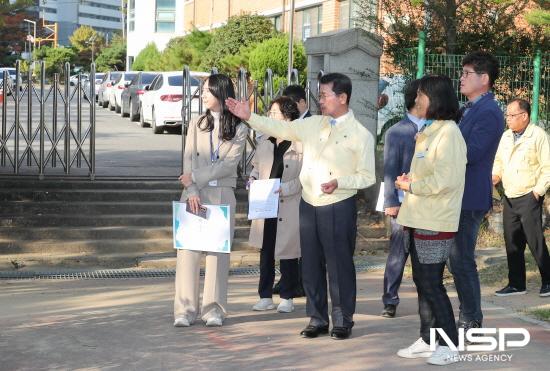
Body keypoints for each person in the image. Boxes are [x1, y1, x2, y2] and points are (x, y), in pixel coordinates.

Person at [226, 73, 375, 340]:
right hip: (308, 204)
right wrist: (250, 116)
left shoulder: (360, 135)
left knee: (339, 266)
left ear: (342, 98)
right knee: (311, 266)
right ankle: (317, 318)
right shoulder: (313, 124)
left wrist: (340, 181)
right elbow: (281, 129)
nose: (321, 100)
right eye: (319, 94)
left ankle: (342, 320)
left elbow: (367, 176)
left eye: (325, 95)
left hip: (338, 205)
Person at [395, 75, 466, 365]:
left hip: (435, 220)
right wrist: (410, 180)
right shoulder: (431, 130)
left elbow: (446, 180)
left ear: (435, 98)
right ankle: (428, 339)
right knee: (423, 283)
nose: (416, 101)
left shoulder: (449, 133)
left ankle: (448, 343)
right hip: (419, 216)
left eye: (421, 96)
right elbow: (429, 173)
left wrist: (412, 186)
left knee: (432, 283)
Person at [173, 74, 248, 328]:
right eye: (202, 90)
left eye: (207, 90)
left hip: (222, 194)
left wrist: (195, 175)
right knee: (188, 252)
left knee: (218, 254)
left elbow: (229, 165)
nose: (203, 95)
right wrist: (191, 188)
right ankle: (184, 310)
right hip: (193, 193)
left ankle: (213, 309)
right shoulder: (196, 123)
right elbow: (187, 159)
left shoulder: (239, 127)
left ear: (221, 93)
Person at [450, 51, 504, 332]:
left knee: (462, 259)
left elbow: (471, 153)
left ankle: (471, 318)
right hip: (457, 194)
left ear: (484, 79)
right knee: (456, 259)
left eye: (467, 73)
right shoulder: (467, 108)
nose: (462, 77)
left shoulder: (490, 112)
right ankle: (467, 314)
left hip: (470, 196)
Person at [248, 96, 303, 313]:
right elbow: (255, 166)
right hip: (266, 202)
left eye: (274, 113)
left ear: (287, 116)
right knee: (266, 249)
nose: (270, 116)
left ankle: (287, 296)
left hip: (289, 202)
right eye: (269, 113)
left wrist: (286, 188)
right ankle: (265, 295)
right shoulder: (266, 140)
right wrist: (252, 179)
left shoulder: (300, 143)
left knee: (288, 251)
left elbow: (305, 176)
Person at [492, 98, 550, 297]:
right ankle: (517, 284)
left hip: (529, 195)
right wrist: (495, 175)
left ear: (524, 116)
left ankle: (548, 281)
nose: (507, 118)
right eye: (507, 115)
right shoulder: (507, 136)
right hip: (509, 195)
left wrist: (537, 192)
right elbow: (499, 160)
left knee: (535, 241)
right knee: (512, 241)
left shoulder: (538, 136)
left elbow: (547, 167)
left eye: (511, 115)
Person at [381, 79, 424, 318]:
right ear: (416, 99)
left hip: (427, 203)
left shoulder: (435, 129)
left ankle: (426, 298)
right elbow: (389, 169)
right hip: (402, 202)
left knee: (424, 254)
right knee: (398, 253)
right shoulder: (396, 131)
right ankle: (390, 299)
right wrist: (391, 202)